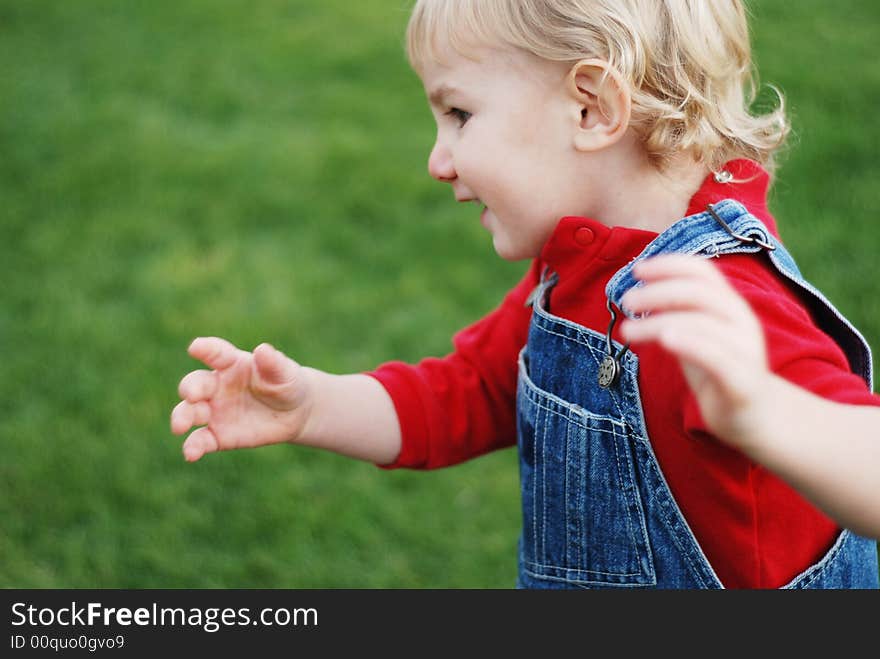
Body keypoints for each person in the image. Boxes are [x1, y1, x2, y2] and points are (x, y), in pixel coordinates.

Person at [170, 0, 880, 588]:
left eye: (459, 114)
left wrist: (768, 410)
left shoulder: (718, 302)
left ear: (592, 108)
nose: (437, 159)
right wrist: (313, 405)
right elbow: (471, 390)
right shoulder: (575, 270)